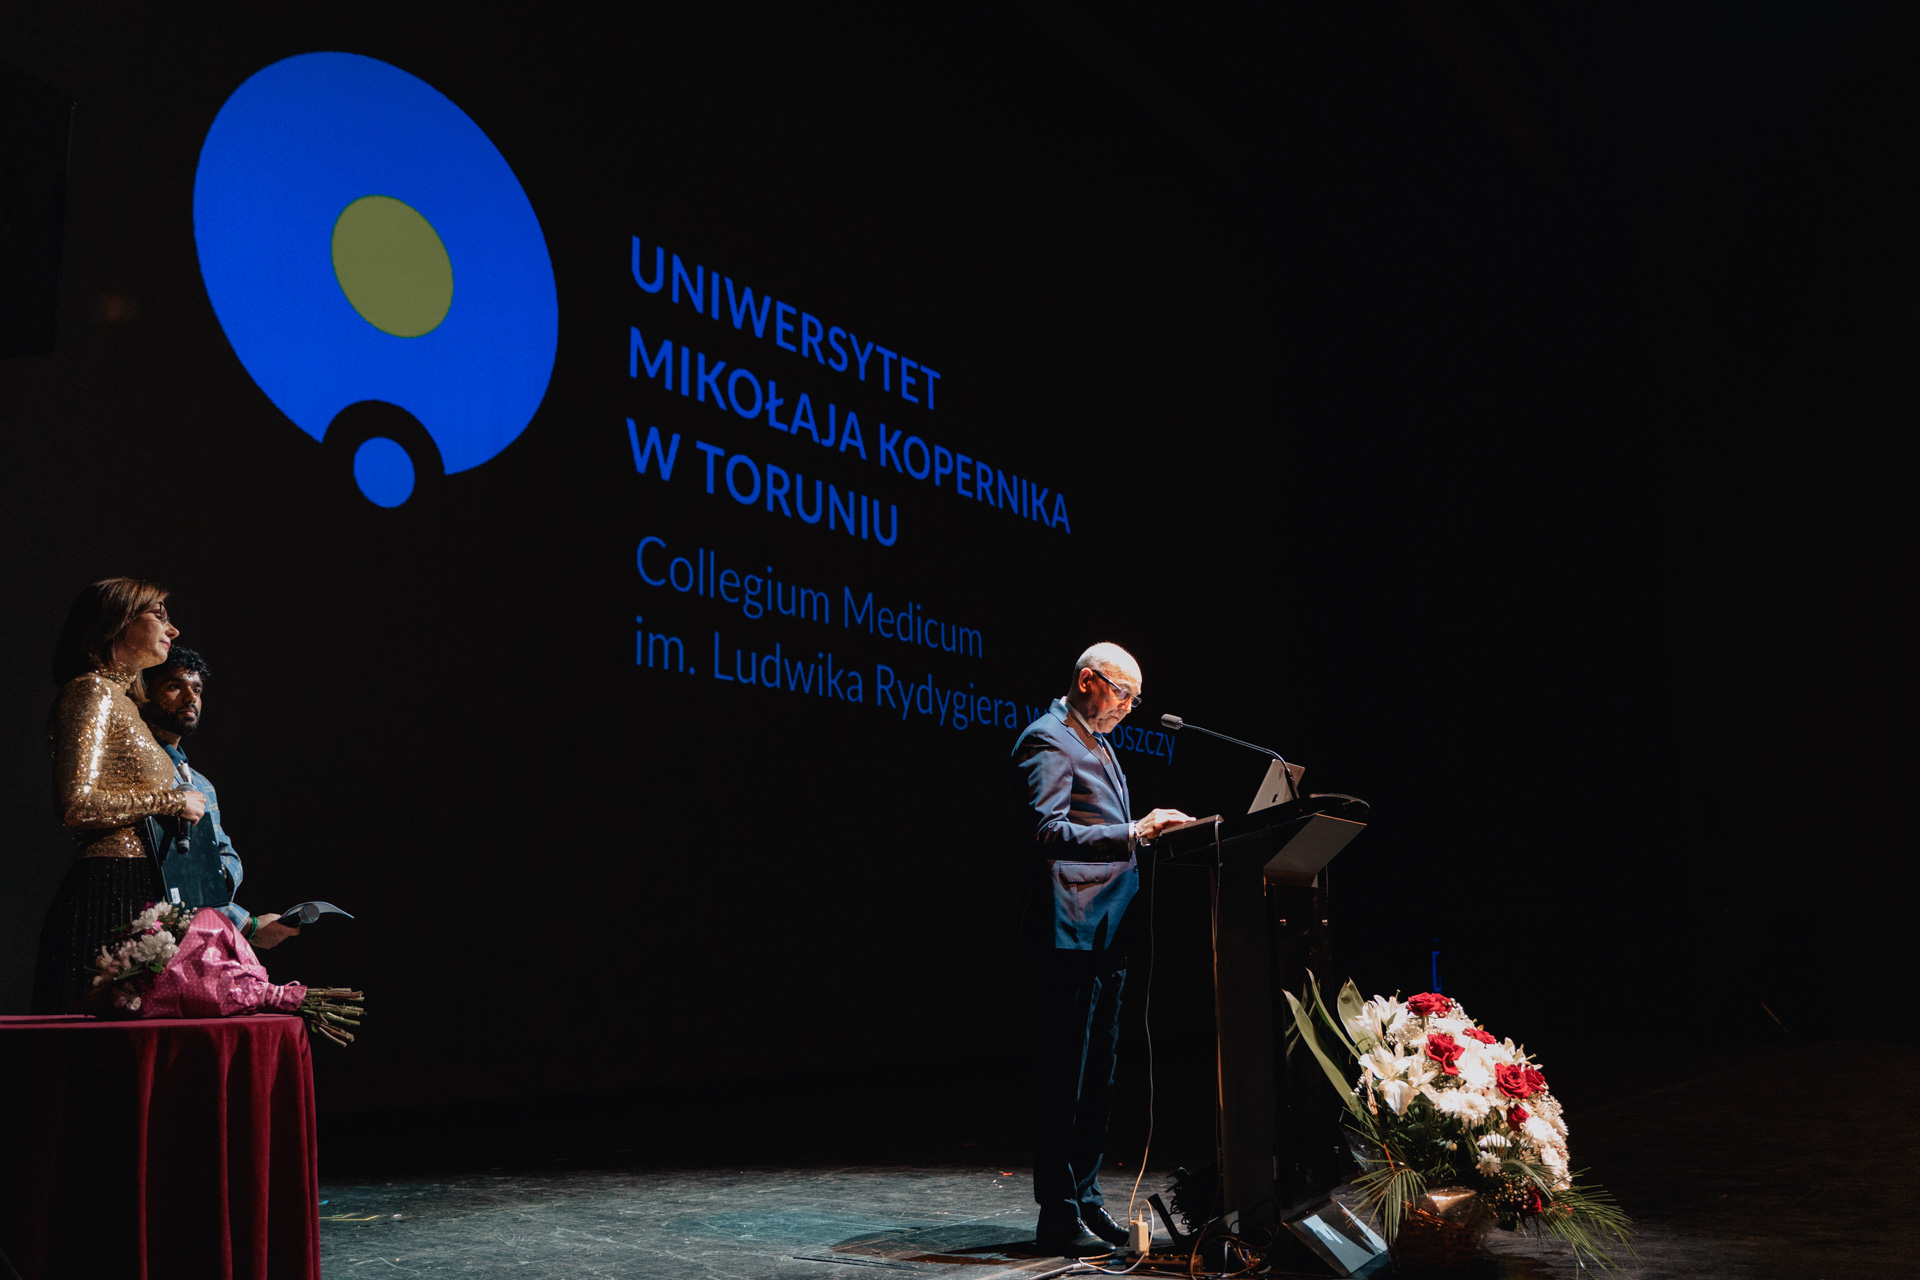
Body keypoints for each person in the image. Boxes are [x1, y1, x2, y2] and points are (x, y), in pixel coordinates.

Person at [1012, 642, 1192, 1254]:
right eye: (1123, 693)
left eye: (1135, 699)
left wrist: (1149, 836)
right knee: (1064, 1076)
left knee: (1099, 1078)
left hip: (1108, 932)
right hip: (1070, 933)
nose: (1128, 707)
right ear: (1088, 680)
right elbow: (1047, 831)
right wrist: (1134, 830)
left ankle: (1086, 1199)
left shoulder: (1099, 742)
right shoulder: (1047, 739)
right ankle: (1058, 1214)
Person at [31, 578, 206, 1013]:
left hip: (138, 888)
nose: (173, 629)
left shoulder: (122, 701)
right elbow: (75, 805)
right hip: (108, 889)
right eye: (159, 615)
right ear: (118, 621)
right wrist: (172, 801)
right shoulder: (91, 690)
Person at [141, 648, 298, 949]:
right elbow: (173, 874)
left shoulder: (202, 784)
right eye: (175, 686)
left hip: (195, 934)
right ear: (143, 695)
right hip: (147, 934)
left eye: (197, 689)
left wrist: (215, 880)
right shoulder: (138, 768)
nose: (190, 697)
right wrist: (247, 925)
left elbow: (226, 855)